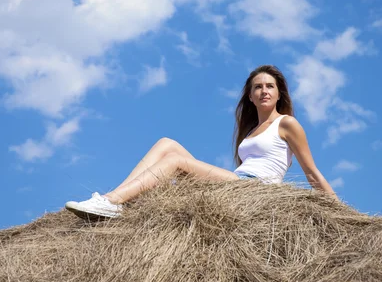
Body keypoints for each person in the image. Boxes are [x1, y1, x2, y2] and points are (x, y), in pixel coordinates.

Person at [65, 65, 336, 219]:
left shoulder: (287, 123)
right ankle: (116, 200)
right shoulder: (252, 131)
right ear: (250, 97)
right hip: (235, 184)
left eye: (269, 86)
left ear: (279, 94)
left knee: (176, 161)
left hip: (255, 189)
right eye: (257, 87)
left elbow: (311, 172)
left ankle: (110, 202)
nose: (263, 90)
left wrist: (342, 213)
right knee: (166, 143)